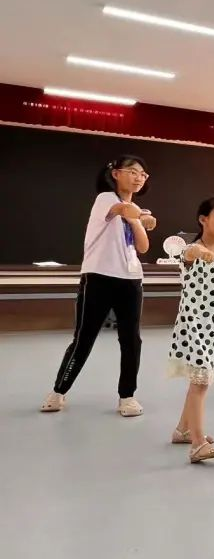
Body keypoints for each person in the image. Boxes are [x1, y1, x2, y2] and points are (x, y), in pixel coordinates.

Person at [41, 155, 156, 417]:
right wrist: (141, 216)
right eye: (133, 172)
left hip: (130, 280)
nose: (138, 178)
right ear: (116, 174)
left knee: (131, 340)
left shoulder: (135, 209)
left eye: (143, 174)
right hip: (99, 277)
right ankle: (58, 391)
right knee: (84, 338)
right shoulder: (106, 199)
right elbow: (122, 210)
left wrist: (139, 220)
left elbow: (143, 247)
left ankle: (127, 396)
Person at [168, 196, 214, 463]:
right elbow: (189, 255)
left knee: (199, 380)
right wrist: (198, 252)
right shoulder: (191, 249)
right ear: (203, 219)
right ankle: (197, 444)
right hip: (194, 324)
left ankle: (183, 430)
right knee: (201, 382)